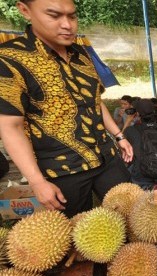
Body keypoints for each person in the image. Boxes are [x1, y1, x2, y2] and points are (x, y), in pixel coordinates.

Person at [0, 0, 133, 218]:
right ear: (25, 10)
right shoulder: (10, 60)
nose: (67, 25)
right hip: (61, 170)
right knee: (74, 240)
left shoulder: (81, 53)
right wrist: (36, 181)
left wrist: (119, 136)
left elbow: (95, 101)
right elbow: (10, 127)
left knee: (132, 218)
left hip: (106, 157)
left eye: (72, 16)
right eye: (54, 15)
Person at [124, 99, 157, 190]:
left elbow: (120, 142)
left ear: (137, 114)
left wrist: (128, 120)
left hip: (141, 173)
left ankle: (145, 186)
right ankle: (152, 183)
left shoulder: (131, 130)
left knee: (125, 166)